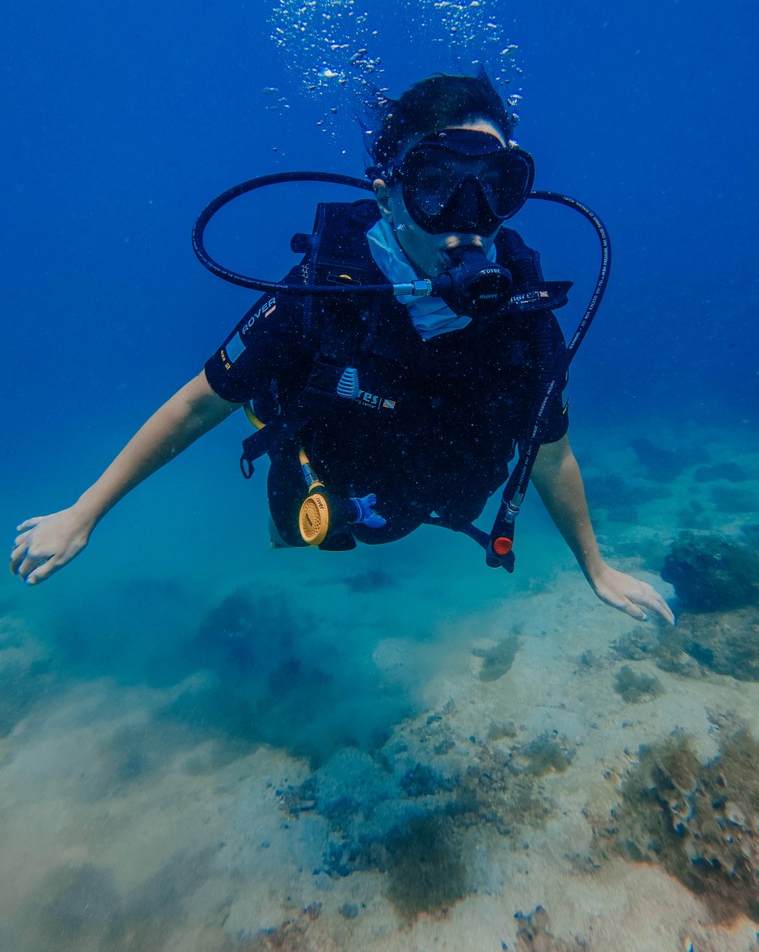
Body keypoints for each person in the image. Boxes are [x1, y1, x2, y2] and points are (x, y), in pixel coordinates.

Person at [11, 71, 672, 626]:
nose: (469, 215)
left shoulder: (525, 318)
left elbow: (551, 454)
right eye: (438, 184)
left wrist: (597, 568)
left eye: (495, 185)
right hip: (334, 487)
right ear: (387, 195)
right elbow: (195, 406)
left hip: (430, 498)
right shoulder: (319, 296)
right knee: (298, 527)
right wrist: (84, 512)